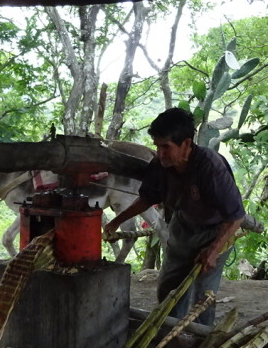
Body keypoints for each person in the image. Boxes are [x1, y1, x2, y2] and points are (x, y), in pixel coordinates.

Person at [104, 107, 245, 326]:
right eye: (157, 146)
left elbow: (235, 216)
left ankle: (199, 343)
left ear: (186, 144)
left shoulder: (210, 167)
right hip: (182, 228)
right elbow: (145, 199)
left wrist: (213, 250)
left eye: (166, 147)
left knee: (203, 297)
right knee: (169, 290)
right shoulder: (160, 166)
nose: (160, 153)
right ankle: (170, 339)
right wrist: (116, 221)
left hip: (216, 231)